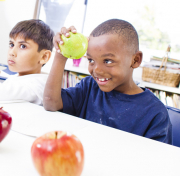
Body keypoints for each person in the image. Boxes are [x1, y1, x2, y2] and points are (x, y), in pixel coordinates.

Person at [43, 19, 172, 144]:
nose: (97, 70)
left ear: (135, 60)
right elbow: (50, 103)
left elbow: (157, 162)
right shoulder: (89, 87)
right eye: (91, 60)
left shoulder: (155, 113)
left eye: (108, 61)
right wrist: (61, 55)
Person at [0, 19, 54, 105]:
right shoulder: (17, 77)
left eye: (23, 46)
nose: (12, 53)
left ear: (44, 57)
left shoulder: (38, 86)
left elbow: (3, 92)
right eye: (11, 45)